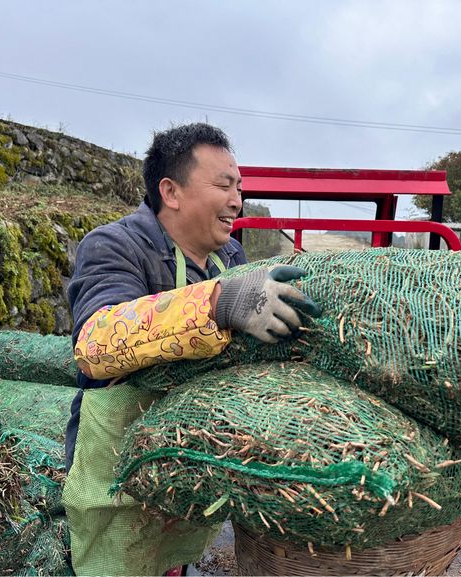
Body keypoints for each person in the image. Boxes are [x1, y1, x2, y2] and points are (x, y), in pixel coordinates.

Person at [62, 123, 320, 576]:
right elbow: (96, 342)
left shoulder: (233, 256)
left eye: (239, 186)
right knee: (121, 557)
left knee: (177, 550)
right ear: (172, 191)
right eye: (223, 185)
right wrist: (219, 302)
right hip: (121, 457)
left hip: (195, 450)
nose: (236, 199)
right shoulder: (114, 246)